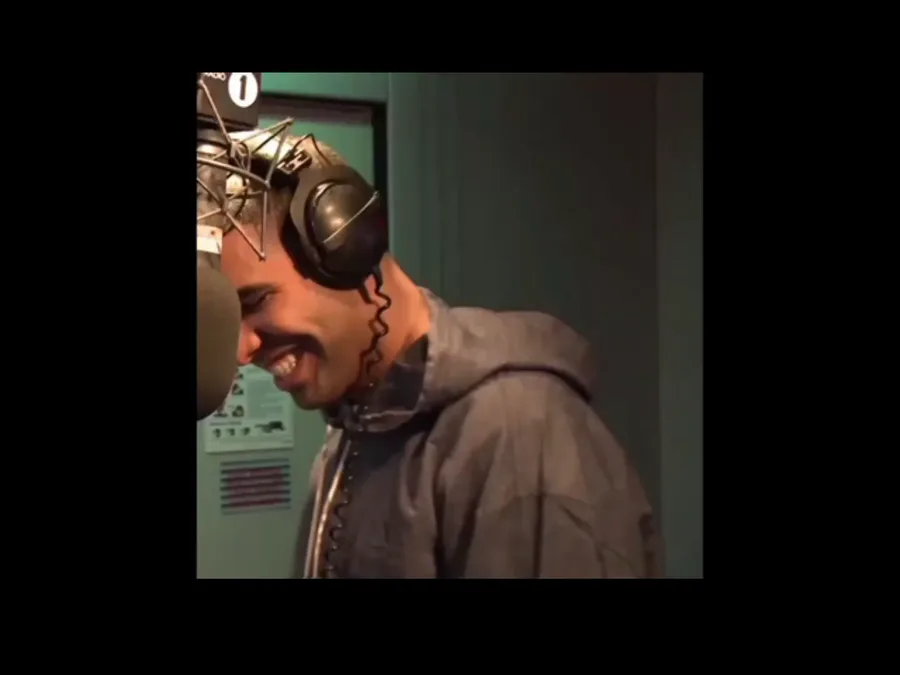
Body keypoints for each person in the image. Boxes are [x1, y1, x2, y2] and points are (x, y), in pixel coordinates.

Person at [219, 132, 663, 578]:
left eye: (255, 302)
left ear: (344, 247)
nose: (241, 350)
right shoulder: (356, 430)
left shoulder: (516, 433)